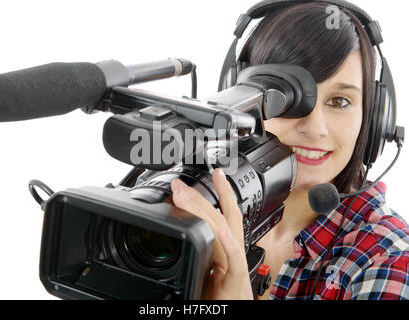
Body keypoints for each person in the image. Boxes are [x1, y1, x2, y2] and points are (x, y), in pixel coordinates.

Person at [170, 1, 409, 300]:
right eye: (287, 98)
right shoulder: (187, 210)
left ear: (374, 119)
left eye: (339, 102)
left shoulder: (389, 257)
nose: (315, 128)